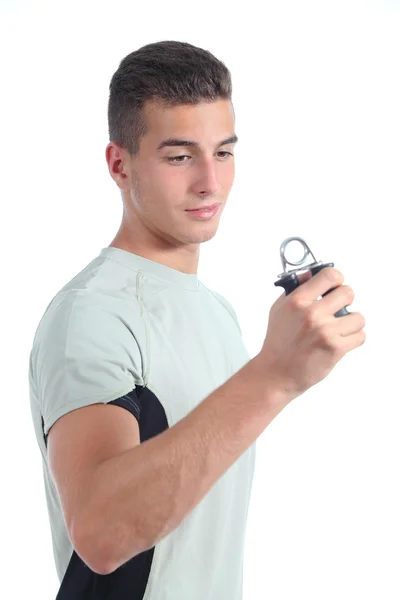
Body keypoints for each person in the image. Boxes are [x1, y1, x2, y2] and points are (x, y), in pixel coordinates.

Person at [28, 40, 366, 600]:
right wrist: (274, 375)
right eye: (180, 156)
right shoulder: (91, 313)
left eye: (225, 152)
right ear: (120, 164)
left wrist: (279, 370)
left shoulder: (216, 309)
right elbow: (102, 533)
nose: (211, 182)